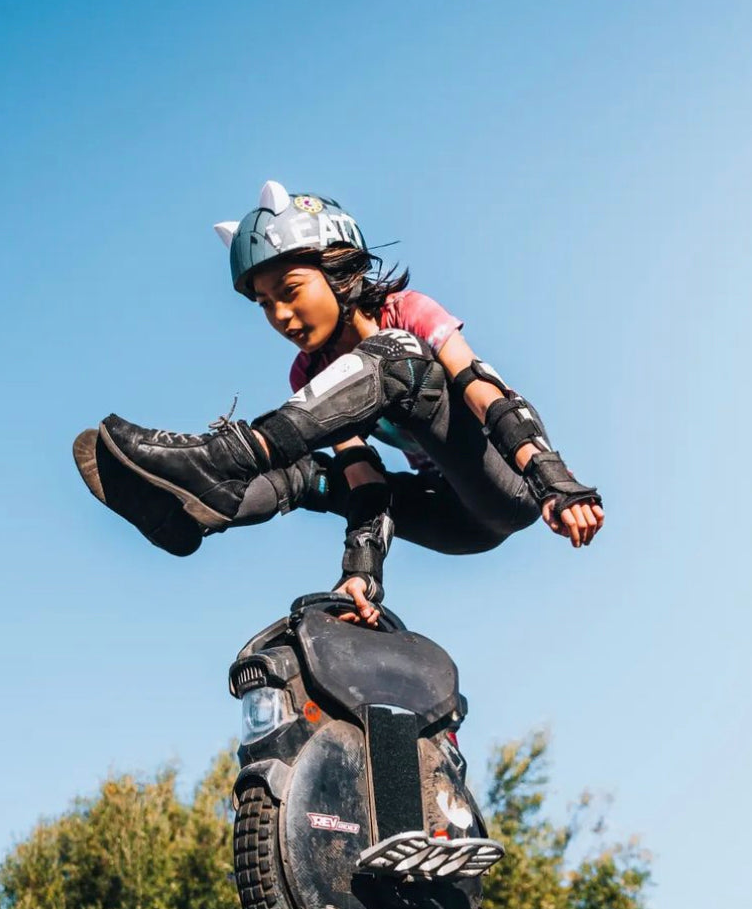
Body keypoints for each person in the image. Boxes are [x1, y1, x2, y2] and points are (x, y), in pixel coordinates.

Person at [74, 181, 603, 626]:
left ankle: (221, 457)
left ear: (337, 270)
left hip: (506, 483)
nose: (280, 315)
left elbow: (484, 390)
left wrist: (552, 480)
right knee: (308, 471)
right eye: (264, 304)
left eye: (290, 289)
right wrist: (361, 572)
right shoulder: (310, 374)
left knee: (398, 356)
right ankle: (189, 512)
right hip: (451, 520)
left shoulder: (404, 312)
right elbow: (362, 476)